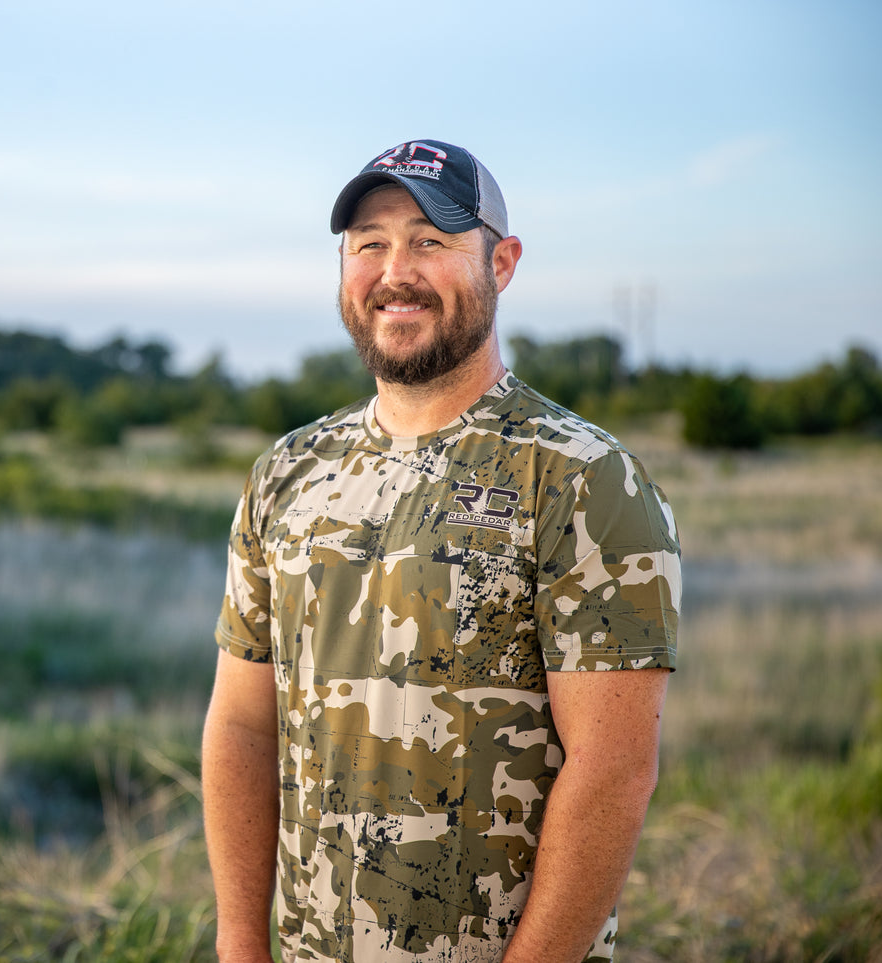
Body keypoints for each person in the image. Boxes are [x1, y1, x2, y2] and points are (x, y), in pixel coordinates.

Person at [202, 138, 680, 963]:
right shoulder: (287, 472)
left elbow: (612, 771)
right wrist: (241, 943)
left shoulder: (580, 477)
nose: (397, 270)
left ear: (502, 261)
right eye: (370, 244)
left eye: (431, 241)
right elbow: (243, 724)